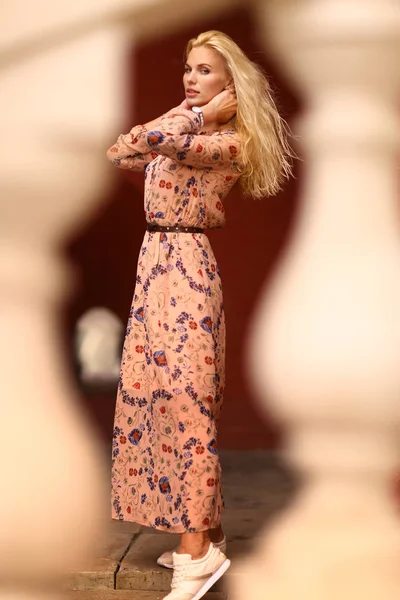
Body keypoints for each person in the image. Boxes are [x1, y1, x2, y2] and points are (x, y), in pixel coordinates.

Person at [107, 29, 292, 600]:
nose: (190, 78)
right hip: (153, 266)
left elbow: (160, 141)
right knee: (156, 393)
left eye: (205, 71)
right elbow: (123, 150)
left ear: (230, 87)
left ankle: (196, 555)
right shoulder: (187, 126)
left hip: (187, 265)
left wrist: (200, 117)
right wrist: (192, 110)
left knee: (188, 403)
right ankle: (205, 533)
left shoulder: (228, 144)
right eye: (188, 68)